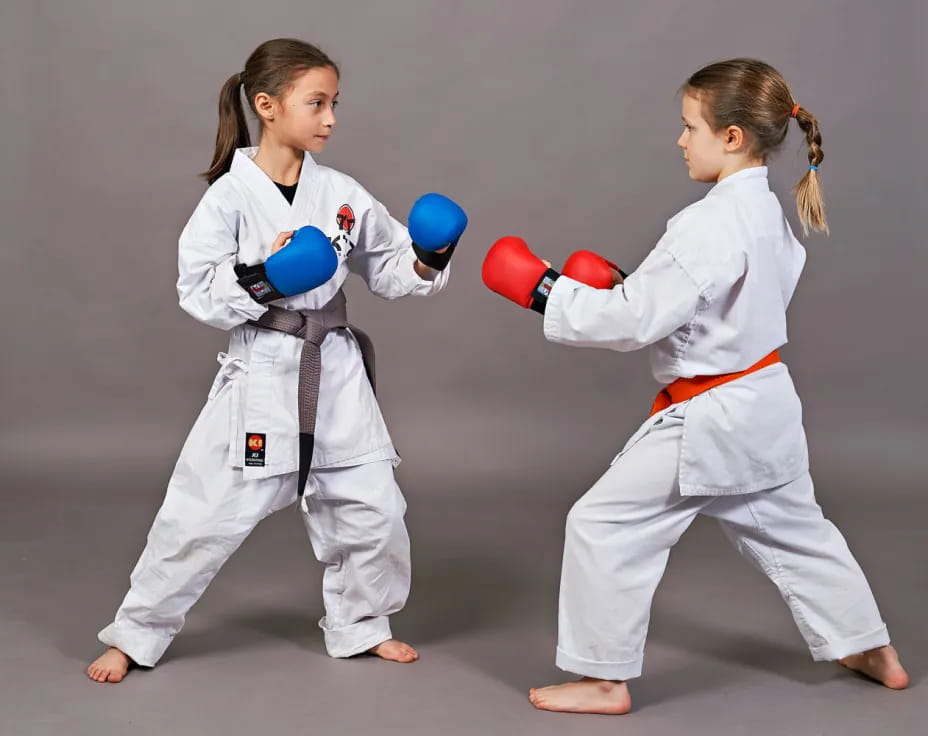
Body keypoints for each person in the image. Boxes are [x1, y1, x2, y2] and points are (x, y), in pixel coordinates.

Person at [482, 58, 908, 715]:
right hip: (766, 401)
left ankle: (603, 680)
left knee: (604, 525)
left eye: (690, 128)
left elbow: (631, 322)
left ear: (732, 137)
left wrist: (545, 290)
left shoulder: (706, 224)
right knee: (798, 531)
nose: (681, 140)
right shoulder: (767, 214)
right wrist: (636, 284)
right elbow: (728, 307)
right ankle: (870, 646)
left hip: (710, 417)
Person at [88, 38, 466, 683]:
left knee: (374, 511)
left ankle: (361, 624)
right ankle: (136, 632)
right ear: (267, 106)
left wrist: (430, 253)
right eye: (316, 103)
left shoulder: (342, 192)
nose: (331, 118)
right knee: (200, 516)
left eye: (334, 104)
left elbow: (391, 268)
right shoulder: (228, 200)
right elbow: (198, 292)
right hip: (263, 371)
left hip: (337, 372)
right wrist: (269, 278)